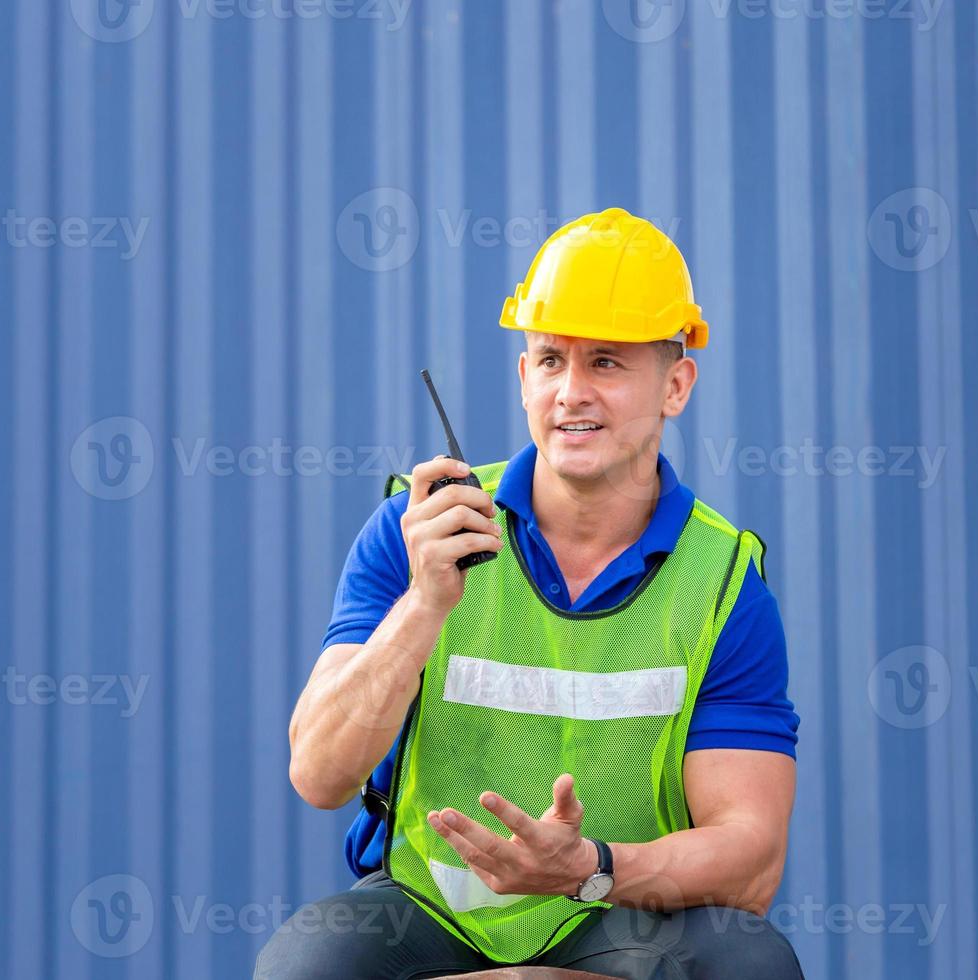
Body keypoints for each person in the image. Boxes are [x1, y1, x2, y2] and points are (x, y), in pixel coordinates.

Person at [257, 208, 804, 979]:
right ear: (522, 378)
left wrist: (590, 865)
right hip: (428, 908)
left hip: (612, 911)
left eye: (606, 363)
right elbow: (318, 775)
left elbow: (749, 859)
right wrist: (423, 604)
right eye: (549, 360)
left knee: (747, 963)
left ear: (675, 384)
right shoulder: (418, 530)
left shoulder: (719, 584)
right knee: (305, 968)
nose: (569, 393)